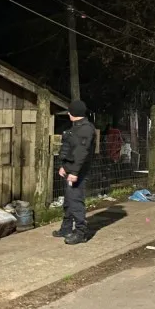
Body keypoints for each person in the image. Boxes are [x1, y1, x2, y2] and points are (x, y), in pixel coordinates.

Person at [54, 100, 96, 245]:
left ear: (73, 113)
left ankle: (81, 233)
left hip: (78, 172)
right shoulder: (76, 127)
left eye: (69, 112)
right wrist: (64, 166)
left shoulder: (85, 129)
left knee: (75, 201)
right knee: (68, 200)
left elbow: (81, 153)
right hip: (71, 169)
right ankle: (66, 228)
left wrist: (74, 172)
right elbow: (70, 149)